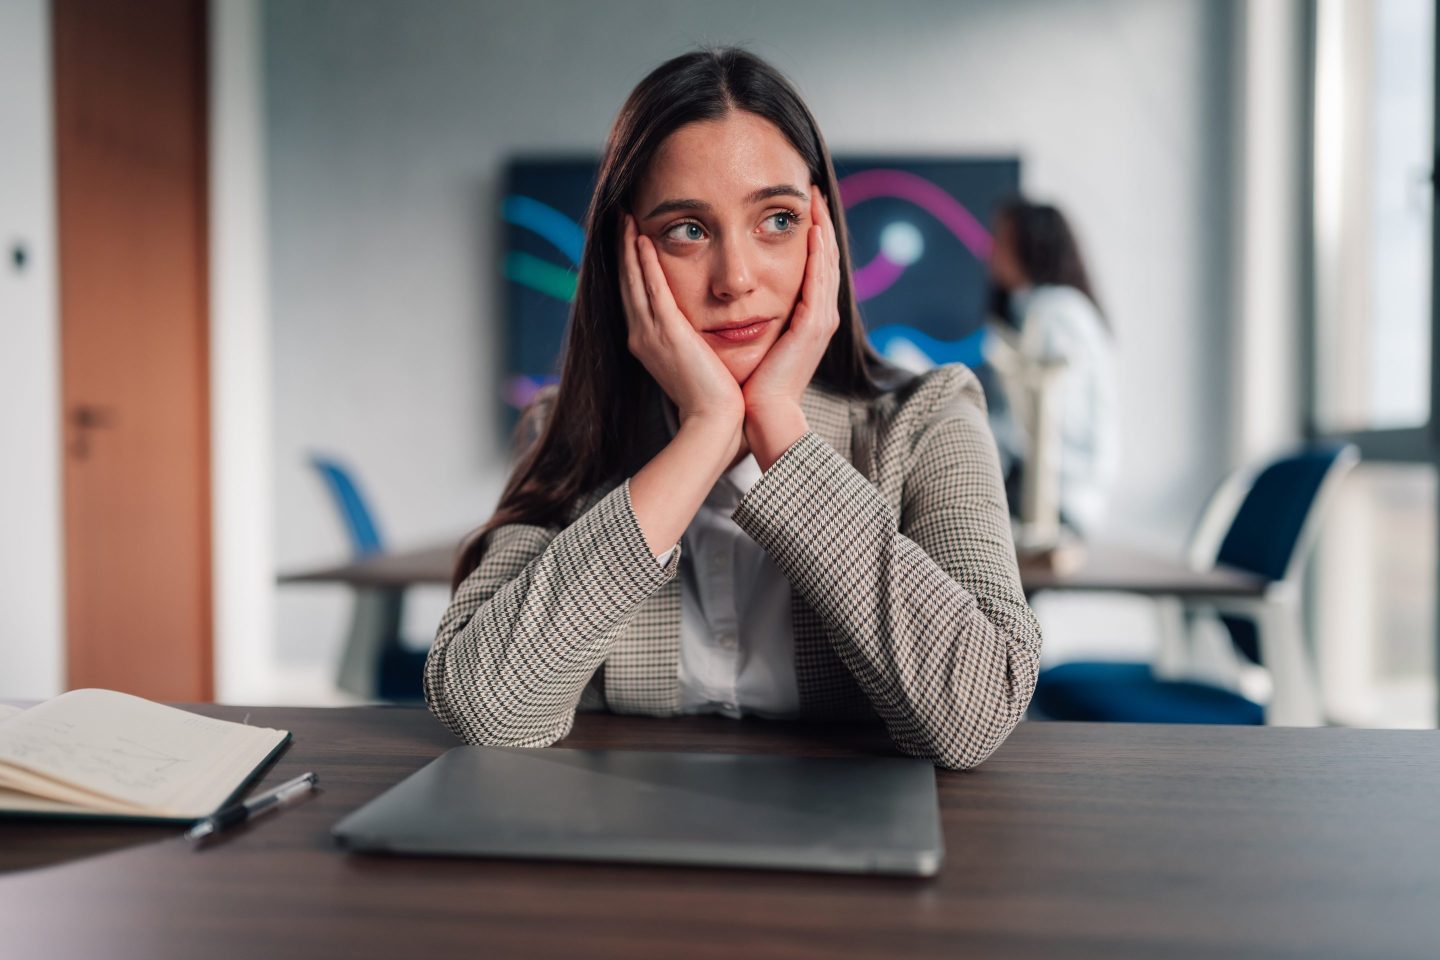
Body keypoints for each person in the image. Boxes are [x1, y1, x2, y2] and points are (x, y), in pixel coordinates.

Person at [424, 48, 1042, 770]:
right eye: (688, 229)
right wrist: (706, 433)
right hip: (622, 854)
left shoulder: (930, 417)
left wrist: (777, 423)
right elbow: (486, 709)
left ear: (824, 234)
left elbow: (975, 715)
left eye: (776, 219)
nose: (736, 279)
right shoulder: (566, 427)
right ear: (629, 257)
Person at [985, 198, 1119, 541]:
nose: (991, 251)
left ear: (1031, 246)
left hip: (1058, 499)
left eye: (1001, 240)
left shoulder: (1055, 315)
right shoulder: (1045, 311)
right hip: (1052, 494)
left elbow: (1052, 422)